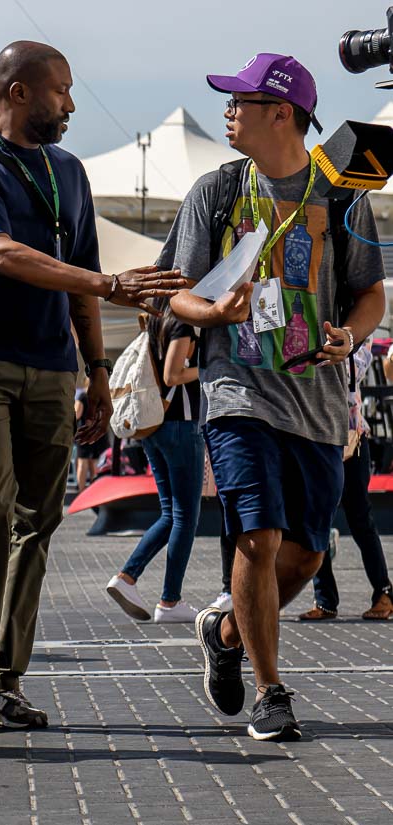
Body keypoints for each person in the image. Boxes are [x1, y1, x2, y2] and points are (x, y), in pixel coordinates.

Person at [0, 40, 184, 731]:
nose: (71, 104)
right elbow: (1, 253)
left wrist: (98, 371)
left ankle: (6, 676)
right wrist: (106, 282)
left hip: (52, 365)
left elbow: (83, 284)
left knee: (38, 520)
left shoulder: (68, 171)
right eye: (61, 90)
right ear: (18, 92)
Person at [168, 53, 386, 742]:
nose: (228, 110)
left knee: (307, 556)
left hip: (317, 401)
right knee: (258, 537)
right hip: (238, 391)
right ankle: (271, 691)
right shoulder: (216, 190)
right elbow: (178, 291)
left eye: (241, 100)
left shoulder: (342, 195)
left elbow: (370, 293)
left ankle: (226, 631)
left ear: (282, 113)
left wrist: (349, 336)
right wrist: (211, 315)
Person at [106, 299, 205, 624]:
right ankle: (170, 600)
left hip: (154, 426)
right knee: (185, 516)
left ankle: (127, 578)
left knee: (170, 514)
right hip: (180, 424)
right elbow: (173, 375)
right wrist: (209, 368)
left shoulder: (155, 321)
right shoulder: (181, 322)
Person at [298, 345, 393, 621]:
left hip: (351, 436)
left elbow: (354, 370)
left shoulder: (356, 334)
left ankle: (383, 592)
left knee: (360, 516)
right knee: (316, 518)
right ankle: (325, 599)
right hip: (315, 433)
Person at [73, 382, 105, 489]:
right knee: (95, 463)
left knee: (83, 462)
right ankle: (94, 491)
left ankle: (81, 492)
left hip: (84, 433)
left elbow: (77, 414)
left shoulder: (83, 396)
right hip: (97, 432)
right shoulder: (101, 396)